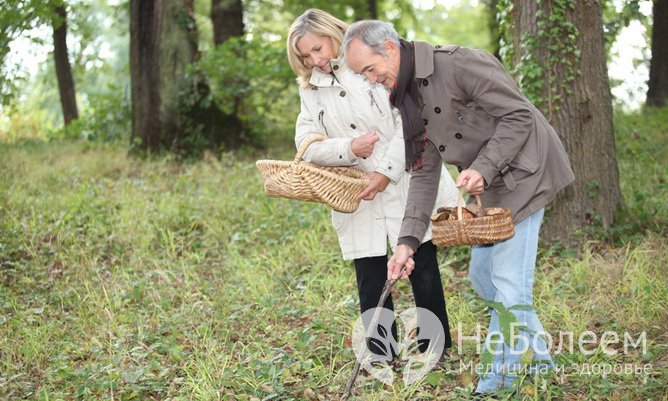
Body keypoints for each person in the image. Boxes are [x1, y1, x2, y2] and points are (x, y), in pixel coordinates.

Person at [342, 20, 575, 394]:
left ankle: (499, 382)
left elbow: (520, 116)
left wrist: (483, 167)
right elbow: (423, 174)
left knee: (510, 287)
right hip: (490, 188)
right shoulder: (406, 99)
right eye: (362, 75)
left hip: (528, 172)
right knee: (484, 281)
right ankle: (541, 359)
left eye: (370, 69)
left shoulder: (460, 64)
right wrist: (406, 242)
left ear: (389, 48)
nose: (370, 79)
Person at [286, 9, 459, 362]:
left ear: (333, 34)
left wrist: (386, 171)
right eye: (306, 55)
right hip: (356, 194)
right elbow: (306, 143)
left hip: (404, 181)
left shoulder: (370, 68)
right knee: (370, 273)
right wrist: (347, 148)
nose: (316, 60)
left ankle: (435, 349)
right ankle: (381, 354)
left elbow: (408, 123)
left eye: (318, 48)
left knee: (422, 264)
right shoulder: (311, 90)